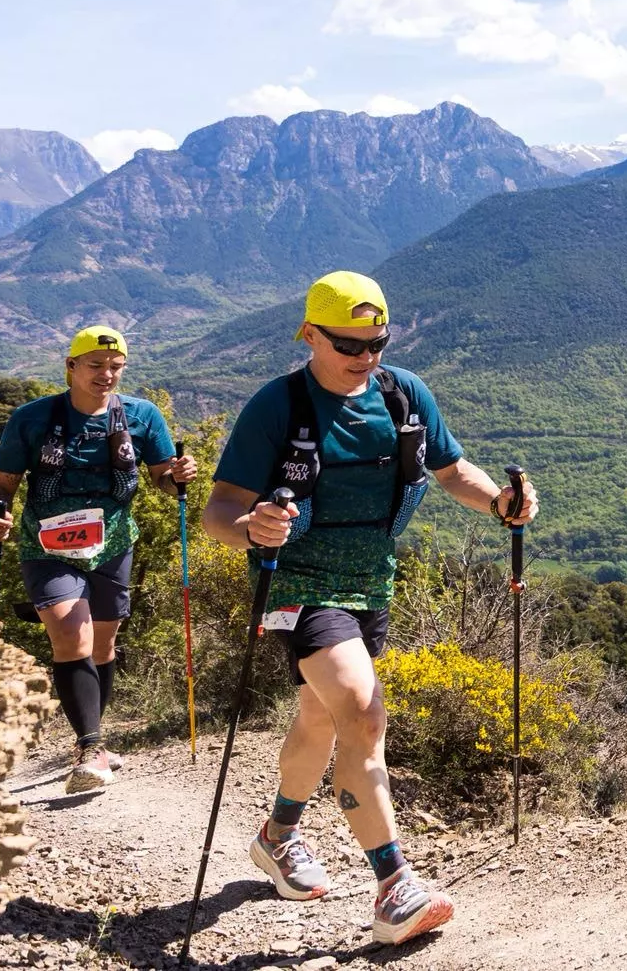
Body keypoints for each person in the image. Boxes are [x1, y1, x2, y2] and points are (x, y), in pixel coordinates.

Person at [202, 270, 536, 947]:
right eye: (348, 344)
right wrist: (251, 529)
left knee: (319, 716)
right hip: (296, 583)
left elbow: (452, 470)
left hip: (371, 583)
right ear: (309, 335)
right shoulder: (277, 407)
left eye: (376, 342)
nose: (365, 355)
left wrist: (499, 504)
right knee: (360, 708)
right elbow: (220, 511)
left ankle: (277, 837)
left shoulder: (403, 394)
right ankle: (394, 886)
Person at [0, 325, 198, 794]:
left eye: (116, 367)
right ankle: (90, 746)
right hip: (46, 547)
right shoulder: (32, 418)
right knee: (69, 634)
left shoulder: (142, 416)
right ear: (71, 366)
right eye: (96, 365)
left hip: (113, 544)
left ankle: (92, 739)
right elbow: (0, 484)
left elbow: (163, 479)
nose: (106, 374)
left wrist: (178, 476)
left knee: (102, 645)